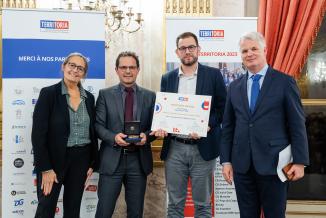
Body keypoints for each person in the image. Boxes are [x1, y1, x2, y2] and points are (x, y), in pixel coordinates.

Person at [220, 31, 309, 218]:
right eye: (245, 51)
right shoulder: (234, 87)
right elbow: (228, 127)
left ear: (265, 50)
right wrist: (226, 161)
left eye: (254, 49)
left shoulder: (284, 82)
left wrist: (300, 161)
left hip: (274, 165)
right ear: (241, 56)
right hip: (242, 166)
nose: (249, 54)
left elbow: (297, 124)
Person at [153, 32, 227, 217]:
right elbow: (165, 108)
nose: (187, 51)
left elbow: (223, 109)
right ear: (177, 52)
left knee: (202, 206)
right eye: (183, 48)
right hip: (175, 148)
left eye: (191, 47)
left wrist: (207, 125)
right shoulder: (167, 78)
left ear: (198, 50)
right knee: (175, 205)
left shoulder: (213, 75)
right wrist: (162, 124)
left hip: (203, 148)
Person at [32, 52, 98, 218]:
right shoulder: (49, 94)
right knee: (45, 209)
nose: (75, 70)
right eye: (72, 65)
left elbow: (93, 131)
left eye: (80, 68)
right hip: (53, 162)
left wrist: (92, 162)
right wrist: (45, 168)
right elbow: (38, 134)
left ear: (84, 73)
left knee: (73, 210)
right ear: (63, 66)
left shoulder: (89, 98)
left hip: (81, 160)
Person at [95, 51, 156, 218]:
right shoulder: (104, 95)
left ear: (138, 70)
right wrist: (113, 137)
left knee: (136, 213)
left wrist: (147, 136)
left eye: (132, 67)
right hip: (111, 160)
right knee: (104, 211)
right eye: (123, 67)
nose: (128, 71)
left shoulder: (150, 96)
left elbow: (155, 127)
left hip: (138, 161)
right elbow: (98, 126)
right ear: (116, 70)